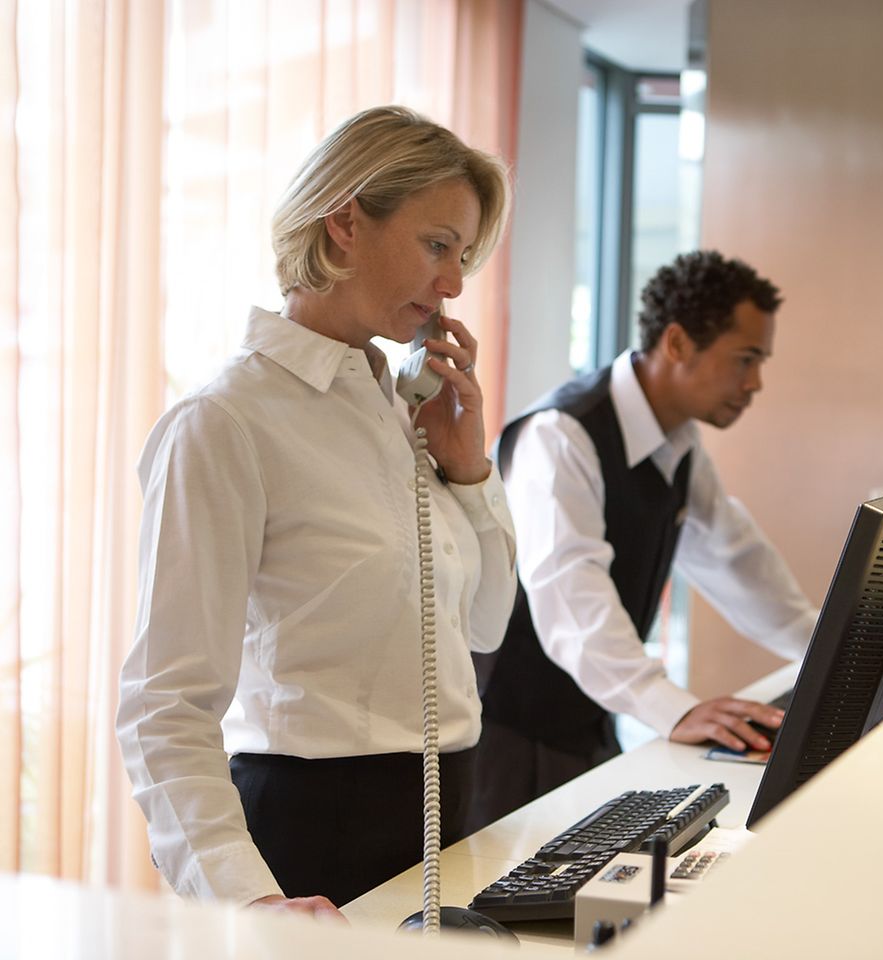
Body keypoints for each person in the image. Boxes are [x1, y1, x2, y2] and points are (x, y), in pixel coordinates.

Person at [115, 106, 517, 917]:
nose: (454, 285)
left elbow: (487, 625)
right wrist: (247, 898)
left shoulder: (402, 412)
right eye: (437, 245)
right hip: (307, 844)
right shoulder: (226, 423)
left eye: (464, 255)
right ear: (343, 229)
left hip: (448, 814)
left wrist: (470, 471)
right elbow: (164, 707)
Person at [471, 250, 819, 826]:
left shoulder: (677, 442)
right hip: (506, 736)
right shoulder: (561, 435)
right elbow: (570, 594)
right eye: (745, 359)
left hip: (587, 721)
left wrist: (829, 650)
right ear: (679, 343)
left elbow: (736, 559)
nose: (756, 383)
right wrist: (672, 707)